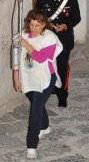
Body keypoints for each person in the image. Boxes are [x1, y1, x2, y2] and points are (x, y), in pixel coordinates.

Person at [12, 9, 63, 159]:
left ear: (44, 25)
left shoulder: (49, 38)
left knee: (35, 111)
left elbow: (41, 58)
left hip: (45, 78)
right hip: (27, 77)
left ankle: (31, 145)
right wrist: (16, 77)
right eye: (31, 24)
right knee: (37, 103)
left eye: (37, 25)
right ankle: (45, 126)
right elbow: (15, 57)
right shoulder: (22, 35)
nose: (33, 28)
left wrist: (27, 45)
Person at [35, 0, 81, 108]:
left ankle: (62, 94)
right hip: (47, 36)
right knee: (48, 63)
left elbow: (77, 17)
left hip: (64, 37)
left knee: (61, 64)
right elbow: (37, 15)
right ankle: (51, 87)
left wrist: (66, 25)